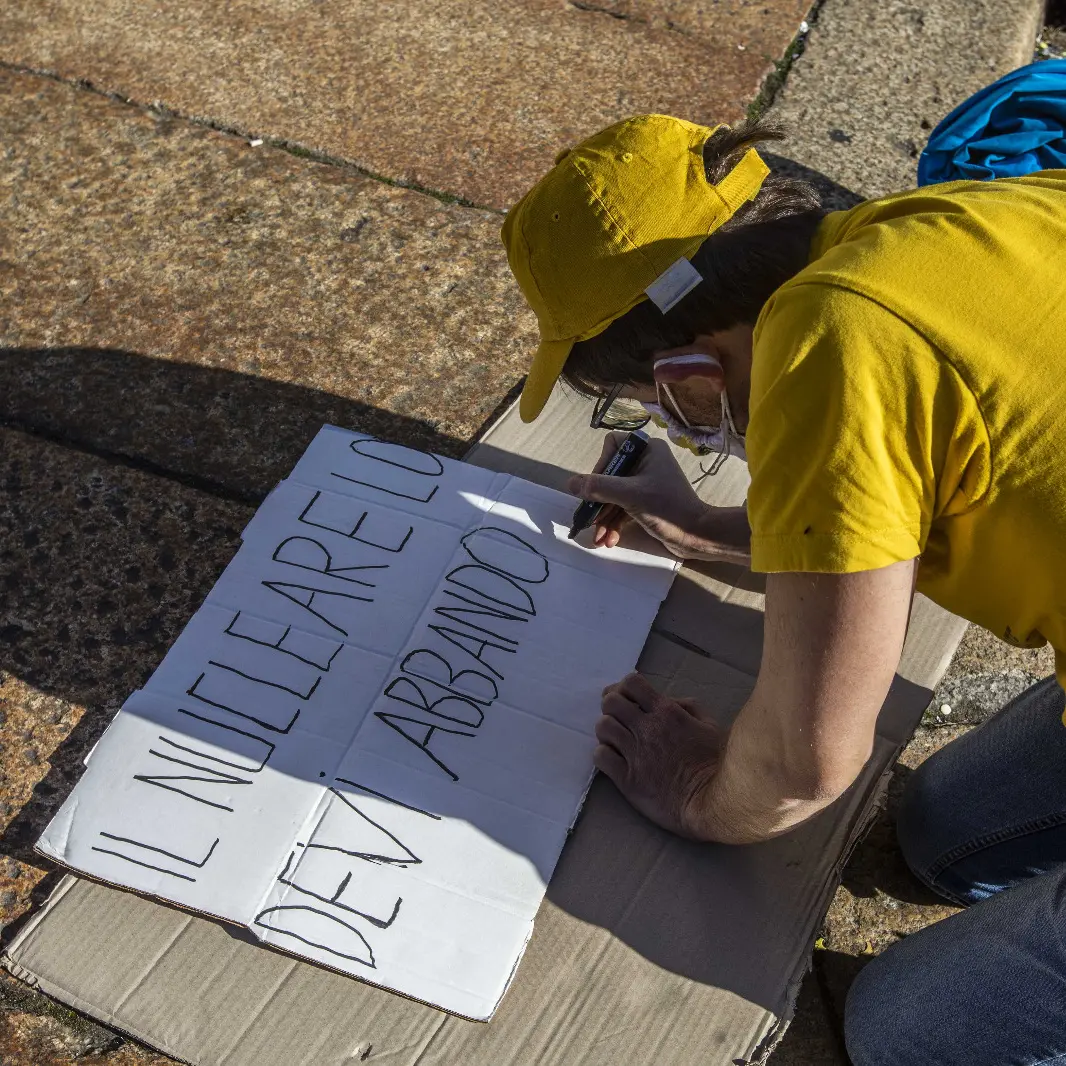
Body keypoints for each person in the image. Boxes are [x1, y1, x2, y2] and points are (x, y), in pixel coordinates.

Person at [501, 113, 1066, 1065]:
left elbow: (805, 767)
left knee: (906, 1034)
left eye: (655, 413)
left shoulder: (825, 340)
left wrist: (696, 791)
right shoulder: (949, 224)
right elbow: (904, 469)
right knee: (939, 827)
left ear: (687, 376)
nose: (681, 433)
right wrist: (723, 532)